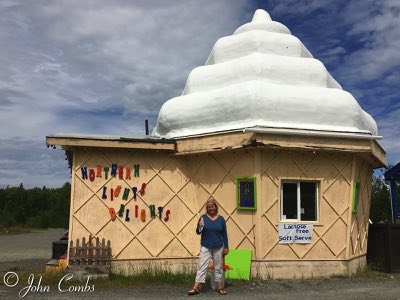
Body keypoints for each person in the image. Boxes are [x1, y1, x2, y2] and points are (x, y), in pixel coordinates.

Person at [188, 198, 229, 296]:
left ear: (216, 207)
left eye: (212, 206)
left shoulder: (221, 219)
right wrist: (200, 226)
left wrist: (226, 246)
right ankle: (196, 288)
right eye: (209, 207)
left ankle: (220, 287)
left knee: (218, 267)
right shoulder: (203, 218)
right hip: (206, 246)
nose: (211, 209)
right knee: (202, 266)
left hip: (218, 246)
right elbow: (198, 232)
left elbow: (224, 234)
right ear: (207, 208)